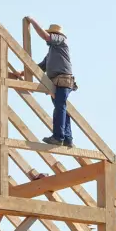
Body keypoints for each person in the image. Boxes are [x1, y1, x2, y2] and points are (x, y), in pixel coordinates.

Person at [24, 16, 77, 146]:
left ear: (55, 35)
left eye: (51, 34)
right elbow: (41, 66)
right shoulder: (53, 51)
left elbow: (45, 36)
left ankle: (58, 137)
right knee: (62, 107)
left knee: (60, 107)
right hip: (56, 83)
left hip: (63, 81)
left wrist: (32, 21)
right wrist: (22, 72)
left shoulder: (61, 40)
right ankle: (67, 138)